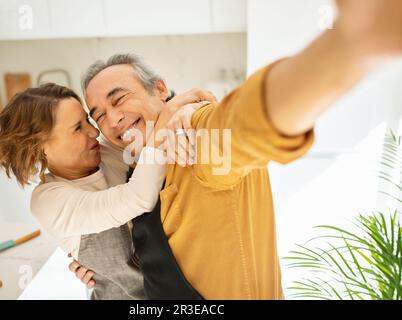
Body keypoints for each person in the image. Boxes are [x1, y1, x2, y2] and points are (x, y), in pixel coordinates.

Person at [71, 0, 402, 299]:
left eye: (120, 98)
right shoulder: (135, 170)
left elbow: (252, 119)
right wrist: (104, 270)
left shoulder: (193, 136)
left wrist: (348, 44)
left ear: (159, 90)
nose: (112, 119)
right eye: (98, 115)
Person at [0, 82, 214, 299]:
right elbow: (137, 198)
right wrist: (166, 122)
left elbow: (155, 129)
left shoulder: (107, 153)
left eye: (88, 119)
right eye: (78, 128)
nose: (93, 131)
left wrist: (187, 109)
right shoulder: (48, 201)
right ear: (40, 149)